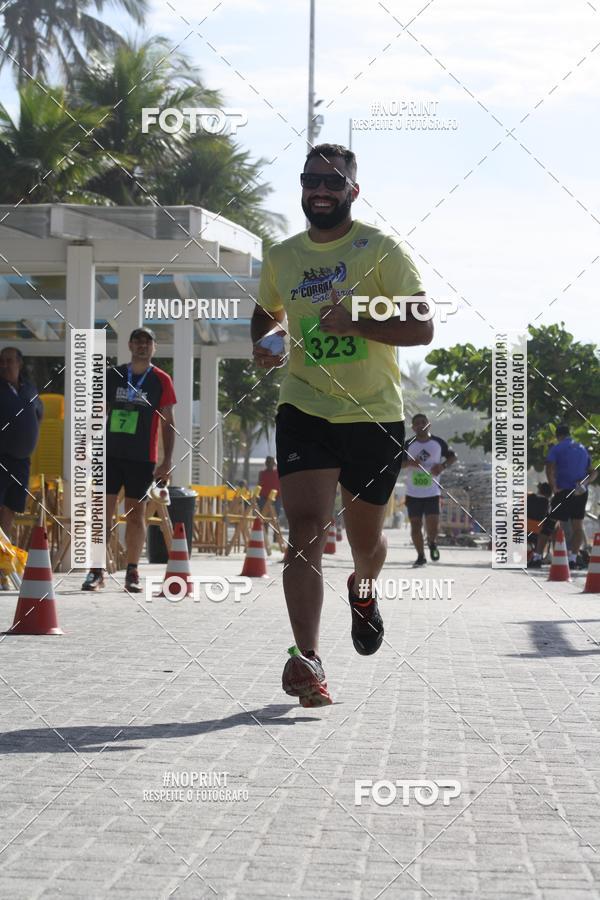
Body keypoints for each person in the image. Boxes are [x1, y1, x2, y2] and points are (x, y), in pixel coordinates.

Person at [251, 142, 433, 707]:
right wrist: (265, 343)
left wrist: (358, 320)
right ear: (302, 188)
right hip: (304, 407)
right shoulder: (282, 256)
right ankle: (308, 659)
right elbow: (265, 315)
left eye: (333, 182)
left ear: (354, 190)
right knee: (304, 529)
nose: (321, 190)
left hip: (374, 414)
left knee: (366, 545)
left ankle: (364, 591)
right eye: (311, 181)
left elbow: (421, 327)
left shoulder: (380, 250)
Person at [81, 327, 176, 593]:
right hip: (109, 455)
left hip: (142, 459)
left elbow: (169, 423)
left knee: (136, 517)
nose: (142, 346)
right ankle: (96, 571)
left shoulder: (160, 380)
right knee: (102, 513)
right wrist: (85, 443)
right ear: (130, 345)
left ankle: (132, 571)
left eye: (147, 342)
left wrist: (166, 461)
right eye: (137, 341)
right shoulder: (114, 375)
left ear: (154, 347)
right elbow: (98, 412)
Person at [0, 347, 43, 539]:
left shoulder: (29, 388)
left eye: (9, 360)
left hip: (22, 460)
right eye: (2, 361)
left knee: (11, 507)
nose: (4, 365)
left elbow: (38, 414)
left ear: (19, 363)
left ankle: (3, 560)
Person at [403, 413, 457, 566]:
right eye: (417, 423)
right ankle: (421, 555)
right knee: (415, 524)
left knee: (432, 525)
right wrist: (409, 463)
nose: (421, 425)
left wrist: (442, 466)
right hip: (413, 493)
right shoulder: (408, 444)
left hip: (432, 492)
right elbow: (398, 463)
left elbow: (453, 457)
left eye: (423, 422)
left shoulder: (438, 442)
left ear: (429, 424)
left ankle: (432, 542)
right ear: (413, 427)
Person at [542, 423, 596, 570]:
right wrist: (585, 484)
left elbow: (549, 468)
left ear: (558, 436)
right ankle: (572, 558)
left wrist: (553, 486)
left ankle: (536, 556)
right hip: (580, 492)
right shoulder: (582, 448)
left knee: (549, 523)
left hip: (564, 491)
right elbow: (593, 472)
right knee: (578, 526)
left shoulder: (557, 448)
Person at [526, 482, 556, 568]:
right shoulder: (548, 504)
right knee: (546, 530)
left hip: (521, 531)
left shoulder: (529, 497)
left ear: (539, 490)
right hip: (537, 535)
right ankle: (537, 556)